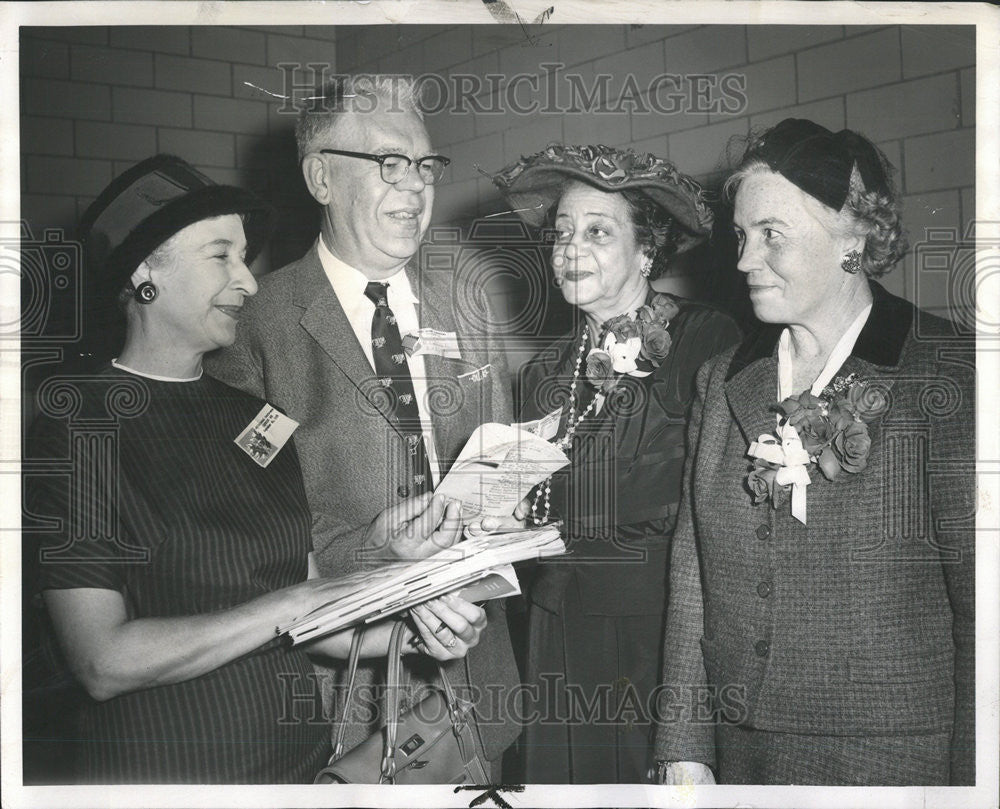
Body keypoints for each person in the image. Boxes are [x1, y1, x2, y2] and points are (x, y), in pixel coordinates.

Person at [24, 155, 487, 784]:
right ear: (143, 271)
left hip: (298, 771)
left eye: (245, 257)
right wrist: (293, 602)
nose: (248, 281)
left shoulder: (257, 419)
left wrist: (414, 631)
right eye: (222, 256)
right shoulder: (76, 425)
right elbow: (102, 661)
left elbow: (315, 622)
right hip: (168, 778)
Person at [205, 75, 521, 777]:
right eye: (388, 164)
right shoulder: (252, 327)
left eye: (425, 165)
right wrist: (377, 563)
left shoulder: (467, 308)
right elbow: (244, 548)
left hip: (475, 694)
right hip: (334, 707)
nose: (415, 189)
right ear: (321, 176)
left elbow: (498, 475)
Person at [654, 119, 975, 786]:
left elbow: (984, 608)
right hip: (740, 749)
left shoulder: (943, 371)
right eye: (741, 236)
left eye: (772, 234)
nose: (744, 260)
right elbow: (691, 574)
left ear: (854, 239)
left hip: (892, 757)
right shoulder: (723, 380)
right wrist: (684, 746)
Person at [492, 144, 741, 783]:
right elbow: (533, 507)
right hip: (556, 627)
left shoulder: (705, 340)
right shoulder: (543, 372)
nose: (571, 250)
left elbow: (718, 503)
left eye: (598, 232)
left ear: (647, 251)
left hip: (654, 631)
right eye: (563, 234)